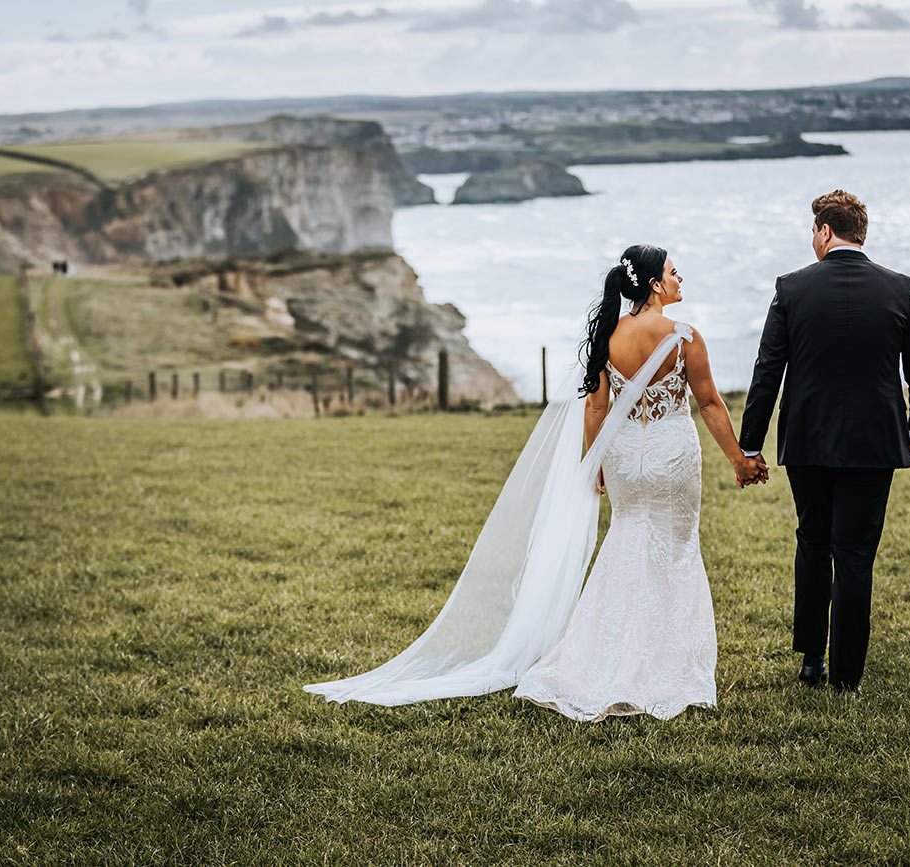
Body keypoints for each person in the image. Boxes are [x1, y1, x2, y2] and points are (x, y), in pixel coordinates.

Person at [305, 245, 766, 719]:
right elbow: (709, 403)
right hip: (672, 456)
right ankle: (669, 665)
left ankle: (603, 657)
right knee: (676, 548)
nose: (679, 278)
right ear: (653, 283)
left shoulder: (610, 337)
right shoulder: (685, 336)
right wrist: (739, 459)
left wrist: (598, 463)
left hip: (626, 457)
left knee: (626, 543)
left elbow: (596, 409)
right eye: (673, 272)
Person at [738, 190, 910, 696]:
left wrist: (750, 443)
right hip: (875, 443)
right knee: (854, 554)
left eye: (813, 230)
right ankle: (846, 677)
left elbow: (767, 372)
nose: (812, 239)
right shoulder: (899, 288)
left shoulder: (791, 288)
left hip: (807, 439)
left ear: (826, 231)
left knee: (813, 540)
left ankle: (811, 660)